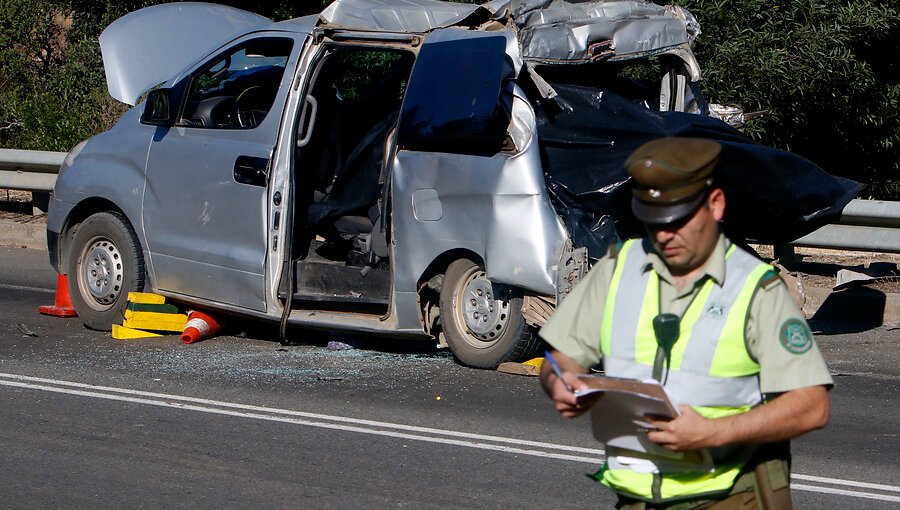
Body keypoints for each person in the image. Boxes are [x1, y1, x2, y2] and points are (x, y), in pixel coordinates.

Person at [539, 137, 832, 509]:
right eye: (653, 219)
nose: (664, 234)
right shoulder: (618, 268)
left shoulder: (756, 289)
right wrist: (560, 382)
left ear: (716, 205)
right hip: (636, 497)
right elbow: (558, 358)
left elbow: (811, 405)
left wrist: (713, 432)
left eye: (678, 219)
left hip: (723, 496)